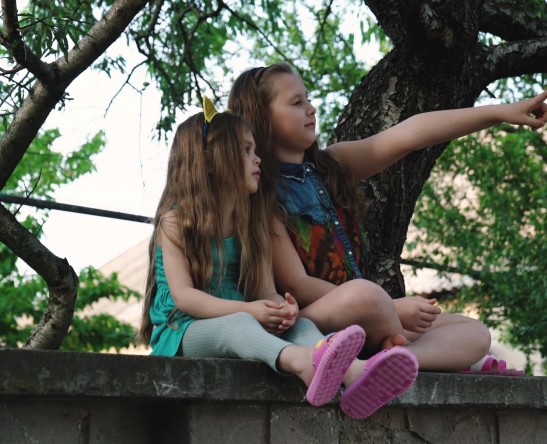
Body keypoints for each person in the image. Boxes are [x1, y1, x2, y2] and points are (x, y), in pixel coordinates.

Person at [228, 63, 547, 372]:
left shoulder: (333, 166)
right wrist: (390, 306)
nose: (311, 109)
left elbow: (410, 134)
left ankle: (393, 359)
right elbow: (297, 285)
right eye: (296, 102)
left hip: (370, 314)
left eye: (309, 99)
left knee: (475, 331)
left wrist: (502, 112)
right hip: (315, 321)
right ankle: (416, 349)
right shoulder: (264, 196)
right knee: (366, 295)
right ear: (263, 118)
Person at [137, 97, 419, 418]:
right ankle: (300, 363)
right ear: (211, 161)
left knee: (299, 323)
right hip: (183, 331)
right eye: (246, 151)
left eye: (254, 150)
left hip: (240, 318)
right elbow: (185, 298)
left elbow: (263, 291)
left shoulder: (251, 223)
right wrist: (250, 310)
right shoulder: (175, 221)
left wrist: (280, 309)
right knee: (239, 324)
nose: (257, 160)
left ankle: (355, 375)